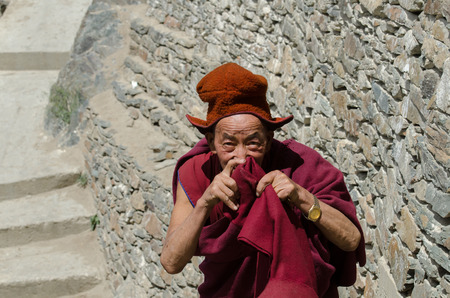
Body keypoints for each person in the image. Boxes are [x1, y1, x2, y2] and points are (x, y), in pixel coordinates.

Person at [161, 63, 366, 297]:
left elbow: (351, 240)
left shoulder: (301, 165)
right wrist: (205, 203)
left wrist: (302, 197)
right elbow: (171, 263)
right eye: (228, 144)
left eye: (253, 143)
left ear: (269, 140)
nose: (241, 156)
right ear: (210, 142)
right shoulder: (197, 173)